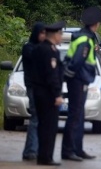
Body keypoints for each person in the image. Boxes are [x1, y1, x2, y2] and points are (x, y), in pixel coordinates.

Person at [61, 6, 101, 161]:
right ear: (96, 24)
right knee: (75, 116)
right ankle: (68, 151)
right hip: (78, 81)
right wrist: (72, 76)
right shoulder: (85, 40)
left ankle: (78, 149)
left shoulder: (82, 36)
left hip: (78, 80)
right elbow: (77, 60)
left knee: (79, 116)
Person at [32, 21, 66, 166]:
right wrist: (57, 94)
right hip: (47, 95)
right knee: (49, 127)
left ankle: (43, 156)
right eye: (61, 34)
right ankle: (46, 157)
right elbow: (52, 75)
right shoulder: (49, 51)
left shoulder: (40, 48)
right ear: (56, 34)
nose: (62, 37)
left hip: (39, 92)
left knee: (43, 126)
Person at [22, 22, 46, 161]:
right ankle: (31, 150)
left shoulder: (41, 47)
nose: (44, 36)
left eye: (45, 33)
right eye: (42, 33)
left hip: (41, 86)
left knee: (38, 119)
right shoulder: (29, 48)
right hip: (32, 86)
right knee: (35, 118)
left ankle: (32, 149)